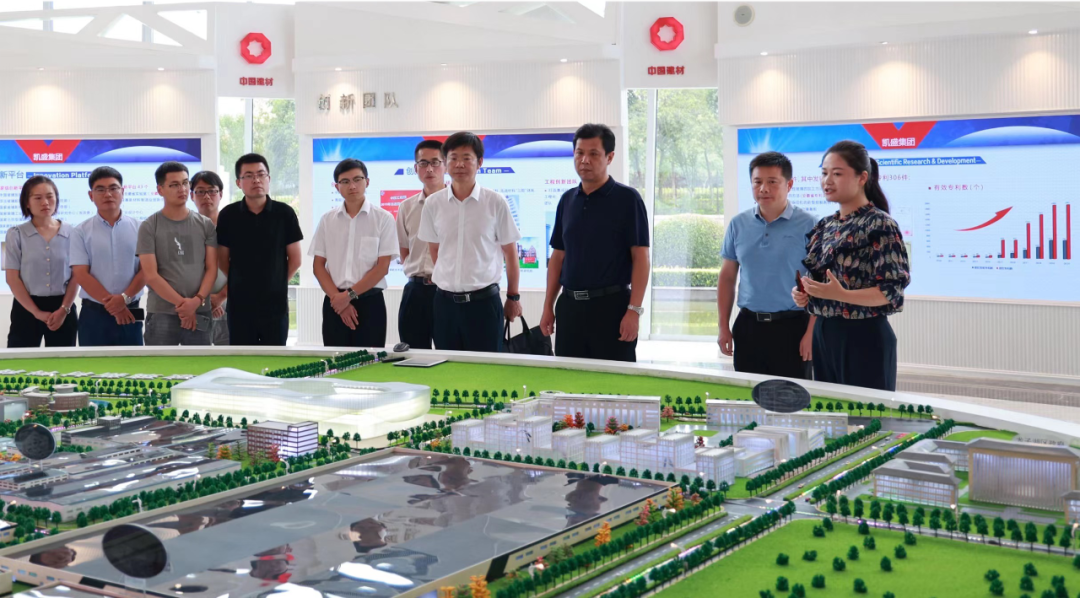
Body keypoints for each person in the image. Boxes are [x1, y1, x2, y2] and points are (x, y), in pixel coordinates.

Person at [793, 140, 910, 391]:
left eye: (837, 174)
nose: (827, 181)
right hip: (824, 333)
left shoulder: (880, 224)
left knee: (865, 412)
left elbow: (891, 292)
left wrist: (841, 295)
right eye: (824, 173)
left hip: (864, 336)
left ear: (862, 177)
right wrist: (806, 293)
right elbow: (822, 282)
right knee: (830, 409)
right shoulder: (826, 225)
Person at [539, 123, 649, 362]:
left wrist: (634, 311)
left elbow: (641, 258)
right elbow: (558, 257)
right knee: (568, 379)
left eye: (593, 154)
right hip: (570, 308)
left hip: (612, 308)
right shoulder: (567, 200)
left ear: (610, 157)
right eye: (579, 153)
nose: (585, 160)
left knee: (614, 381)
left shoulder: (628, 199)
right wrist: (548, 306)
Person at [717, 151, 817, 378]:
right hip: (748, 326)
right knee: (749, 395)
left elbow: (819, 281)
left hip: (793, 327)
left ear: (789, 185)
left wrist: (812, 332)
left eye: (772, 182)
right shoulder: (738, 224)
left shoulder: (809, 224)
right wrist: (723, 326)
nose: (763, 189)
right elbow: (727, 278)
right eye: (757, 182)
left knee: (792, 395)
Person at [418, 132, 521, 352]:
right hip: (445, 305)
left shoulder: (495, 202)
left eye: (467, 158)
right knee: (447, 366)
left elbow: (511, 253)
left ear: (480, 162)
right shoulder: (433, 204)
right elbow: (435, 250)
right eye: (453, 158)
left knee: (486, 368)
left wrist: (513, 296)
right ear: (445, 163)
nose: (459, 164)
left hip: (484, 304)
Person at [216, 153, 303, 346]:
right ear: (239, 182)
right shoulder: (228, 215)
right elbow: (222, 260)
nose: (256, 180)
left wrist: (275, 282)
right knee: (242, 358)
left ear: (268, 179)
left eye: (261, 174)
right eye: (249, 175)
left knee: (274, 358)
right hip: (240, 305)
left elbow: (296, 260)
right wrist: (242, 282)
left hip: (275, 306)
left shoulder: (284, 213)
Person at [310, 159, 398, 347]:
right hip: (334, 302)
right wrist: (339, 301)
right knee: (335, 359)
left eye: (357, 179)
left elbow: (382, 268)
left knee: (370, 360)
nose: (352, 186)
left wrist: (348, 296)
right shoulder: (327, 220)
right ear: (337, 187)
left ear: (367, 182)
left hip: (370, 302)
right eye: (345, 181)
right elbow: (318, 266)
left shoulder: (383, 219)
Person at [137, 162, 218, 345]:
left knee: (200, 362)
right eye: (174, 185)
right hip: (162, 313)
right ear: (160, 190)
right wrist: (184, 306)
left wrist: (195, 302)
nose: (182, 189)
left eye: (185, 183)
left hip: (200, 310)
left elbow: (212, 268)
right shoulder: (149, 226)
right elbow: (150, 275)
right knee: (160, 363)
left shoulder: (205, 225)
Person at [70, 166, 145, 346]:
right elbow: (81, 274)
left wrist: (124, 299)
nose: (108, 194)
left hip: (130, 311)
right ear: (91, 195)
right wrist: (115, 306)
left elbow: (146, 270)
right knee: (92, 364)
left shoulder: (141, 228)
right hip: (94, 315)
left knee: (132, 363)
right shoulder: (80, 231)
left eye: (113, 188)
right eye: (100, 189)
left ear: (122, 192)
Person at [4, 176, 78, 347]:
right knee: (21, 359)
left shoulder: (72, 232)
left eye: (50, 196)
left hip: (63, 307)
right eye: (38, 198)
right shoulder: (16, 234)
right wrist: (36, 312)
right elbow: (12, 278)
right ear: (27, 203)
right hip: (26, 307)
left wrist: (63, 309)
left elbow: (76, 276)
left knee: (62, 360)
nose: (45, 202)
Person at [395, 139, 445, 349]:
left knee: (450, 353)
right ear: (416, 168)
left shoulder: (457, 206)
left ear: (446, 165)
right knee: (412, 353)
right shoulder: (406, 207)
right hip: (415, 291)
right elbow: (404, 250)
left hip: (446, 292)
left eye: (435, 162)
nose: (429, 169)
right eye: (423, 163)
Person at [191, 171, 230, 345]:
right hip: (196, 305)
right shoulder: (186, 229)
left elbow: (244, 268)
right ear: (192, 196)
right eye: (200, 191)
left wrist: (221, 297)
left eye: (212, 191)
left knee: (228, 354)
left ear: (220, 194)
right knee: (198, 353)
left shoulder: (232, 227)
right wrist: (204, 301)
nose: (206, 196)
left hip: (228, 304)